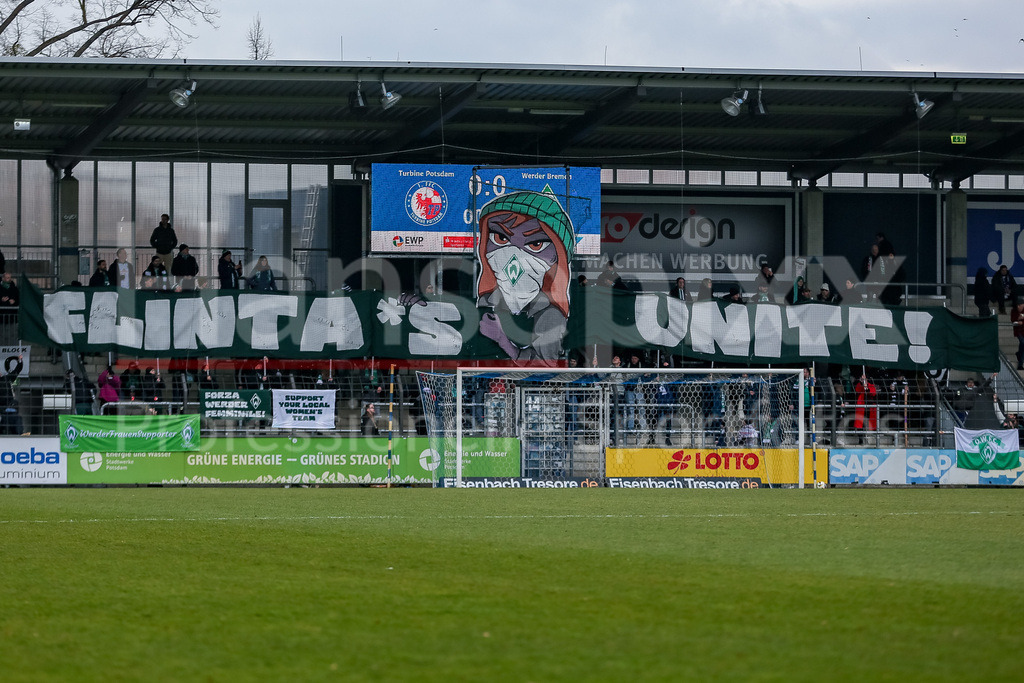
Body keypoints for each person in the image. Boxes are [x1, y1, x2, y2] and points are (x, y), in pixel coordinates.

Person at [475, 191, 575, 362]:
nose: (514, 256)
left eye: (535, 244)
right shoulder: (486, 300)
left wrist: (502, 340)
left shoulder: (550, 314)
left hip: (518, 386)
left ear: (557, 256)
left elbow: (543, 367)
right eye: (501, 237)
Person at [0, 354, 27, 435]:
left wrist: (20, 361)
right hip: (3, 409)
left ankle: (17, 435)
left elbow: (17, 370)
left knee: (15, 421)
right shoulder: (6, 378)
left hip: (9, 407)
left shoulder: (6, 378)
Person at [1012, 299, 1024, 369]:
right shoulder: (1014, 311)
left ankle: (1019, 355)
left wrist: (1022, 322)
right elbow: (1013, 320)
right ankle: (1020, 363)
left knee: (1022, 345)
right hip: (1019, 331)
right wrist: (1018, 319)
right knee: (1022, 342)